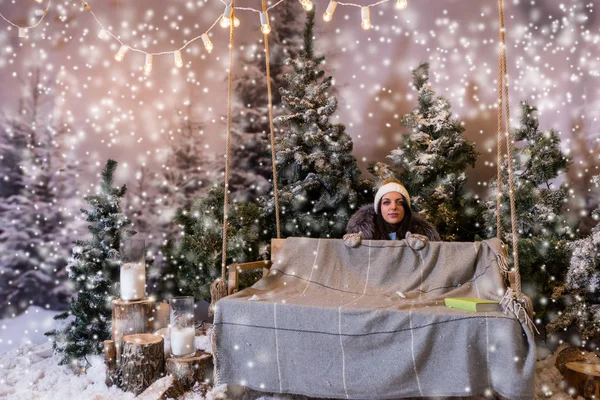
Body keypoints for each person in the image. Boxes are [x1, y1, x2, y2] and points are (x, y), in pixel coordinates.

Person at [345, 178, 440, 242]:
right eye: (386, 202)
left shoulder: (422, 233)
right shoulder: (364, 235)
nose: (393, 207)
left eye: (399, 202)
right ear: (379, 208)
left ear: (406, 207)